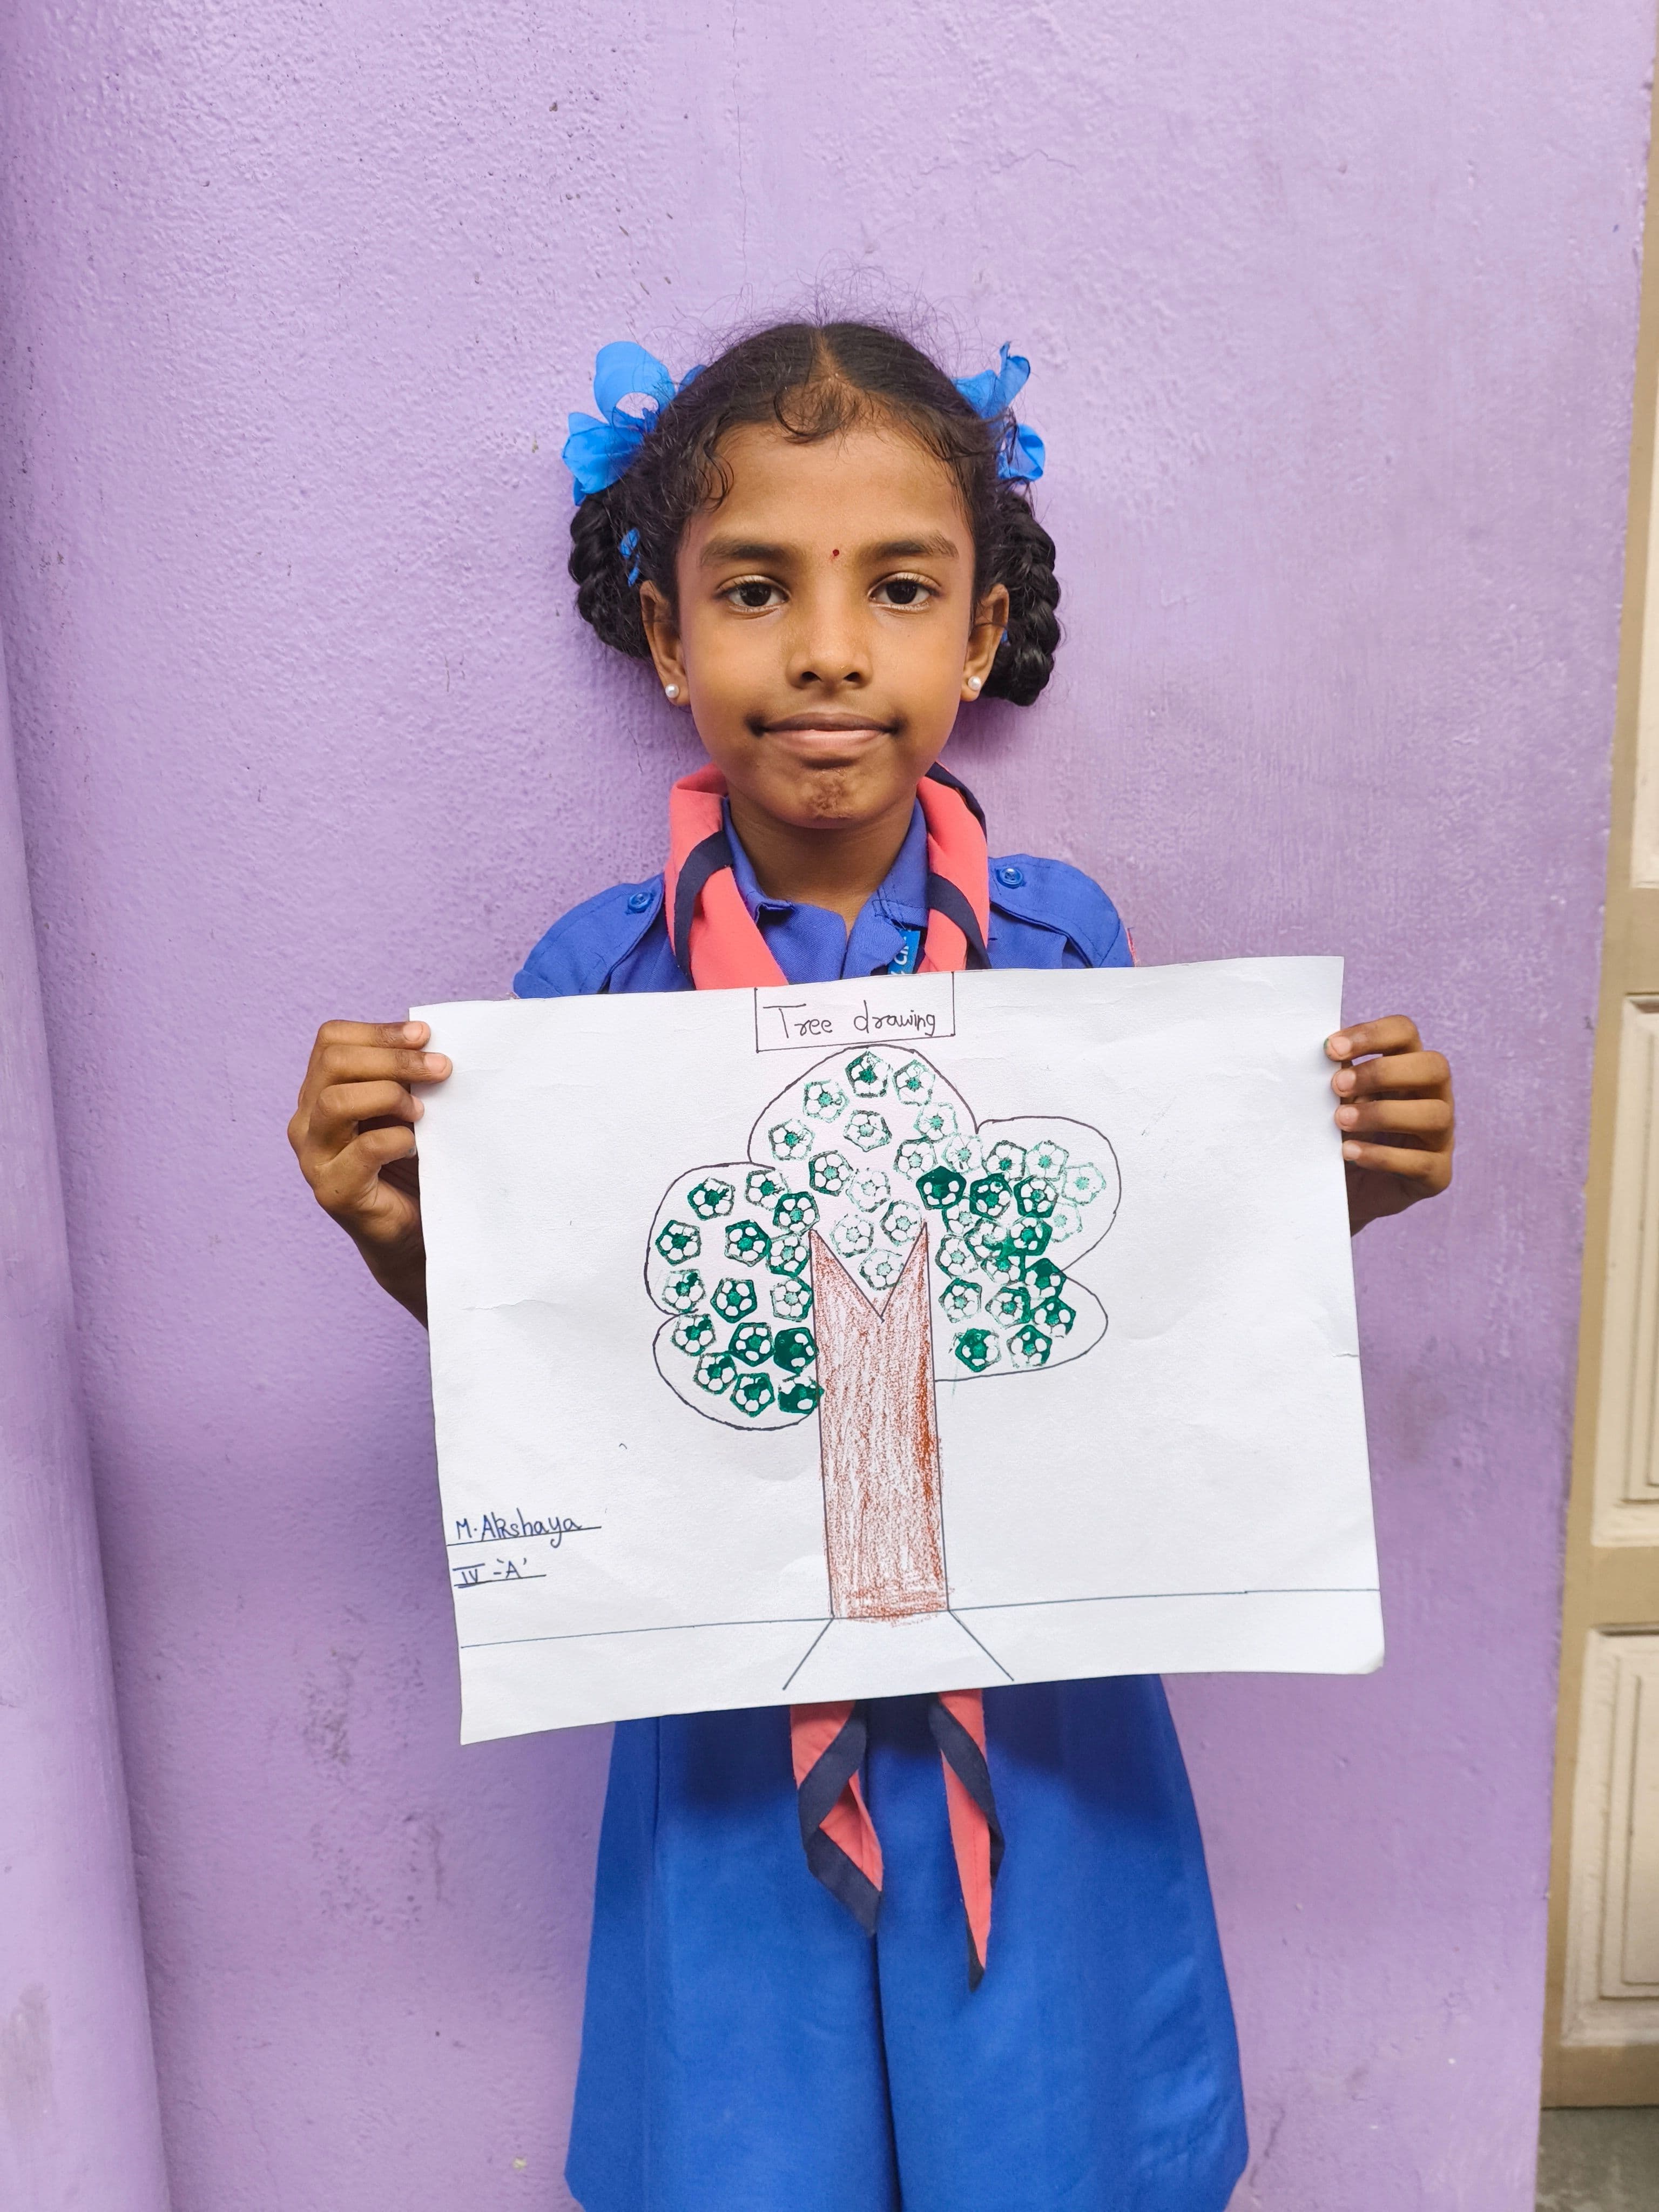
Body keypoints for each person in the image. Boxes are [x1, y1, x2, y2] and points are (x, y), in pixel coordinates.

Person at [288, 321, 1455, 2212]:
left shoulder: (1068, 958)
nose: (829, 649)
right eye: (756, 589)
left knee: (1044, 2137)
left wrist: (1336, 1198)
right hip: (728, 1689)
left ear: (978, 635)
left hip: (1040, 1686)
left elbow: (1142, 1313)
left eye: (898, 589)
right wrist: (404, 1237)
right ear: (668, 635)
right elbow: (561, 1378)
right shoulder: (587, 992)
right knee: (759, 2141)